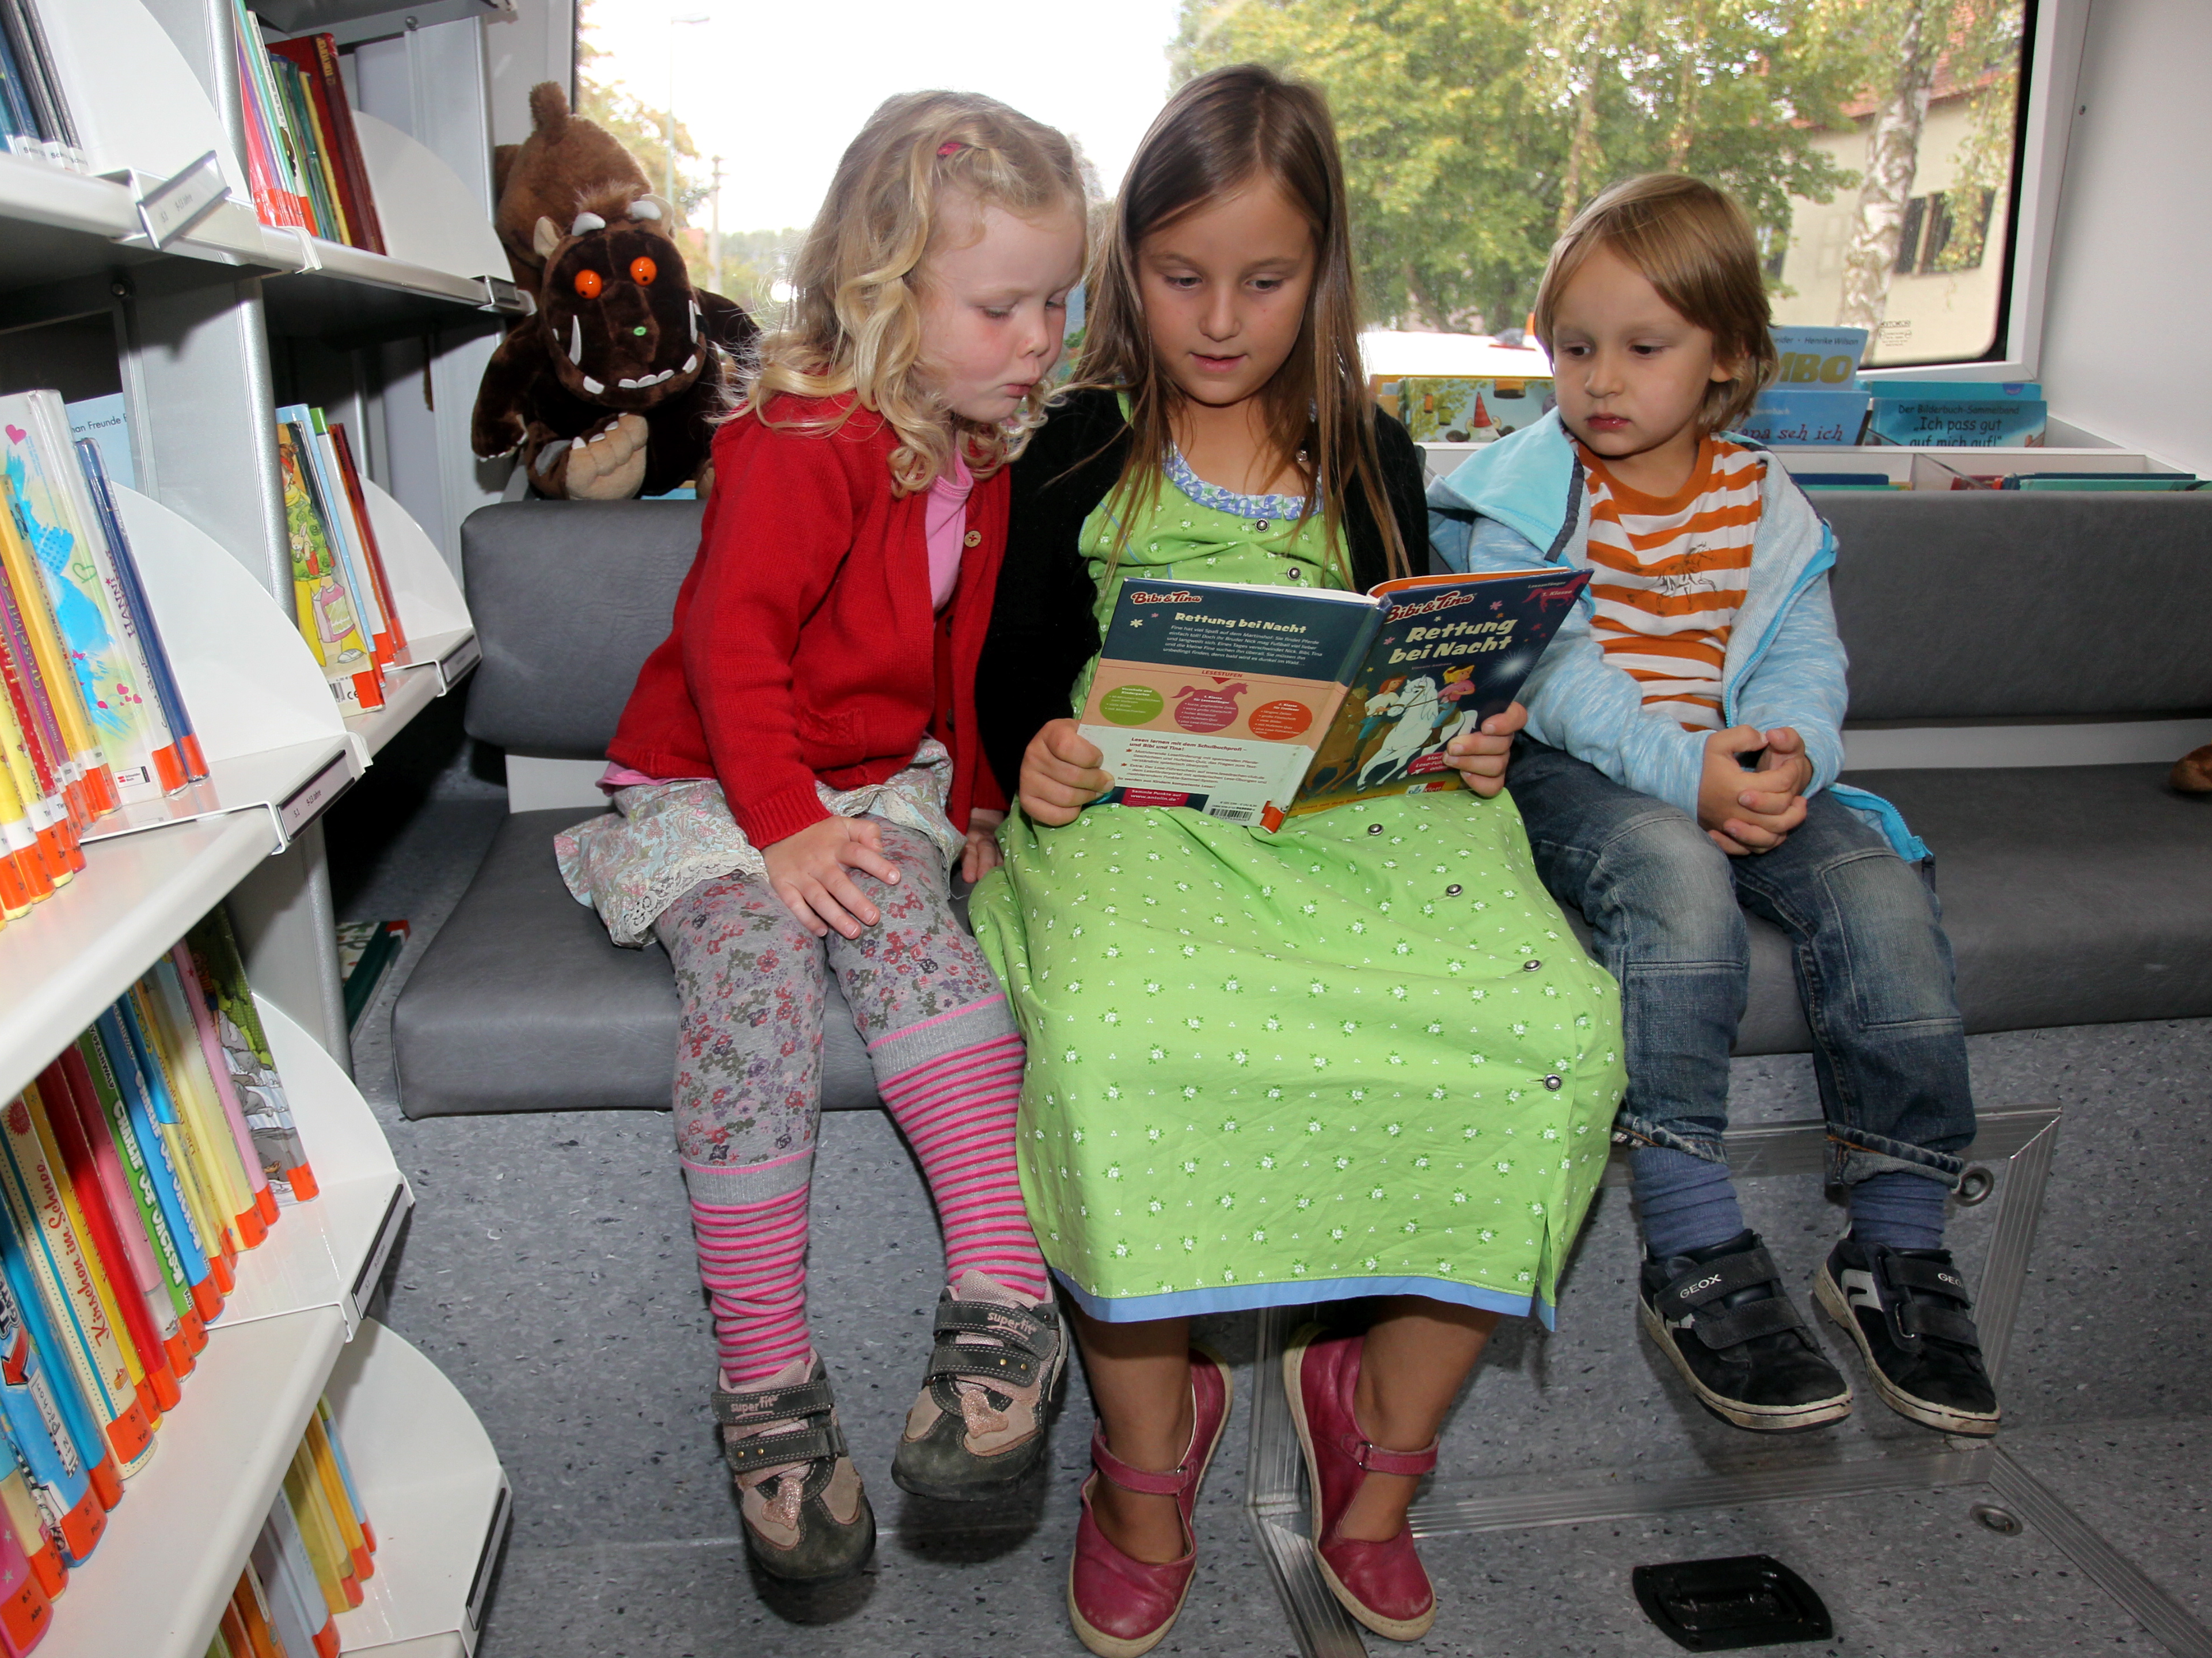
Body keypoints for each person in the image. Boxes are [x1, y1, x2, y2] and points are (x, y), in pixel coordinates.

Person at [972, 66, 1625, 1652]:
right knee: (1115, 1044)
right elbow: (1010, 689)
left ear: (1321, 271)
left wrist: (1470, 734)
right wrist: (1043, 752)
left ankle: (1378, 1449)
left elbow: (1414, 665)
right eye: (1181, 276)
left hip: (1362, 833)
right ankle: (1147, 1463)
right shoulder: (1077, 444)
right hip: (1134, 832)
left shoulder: (1371, 453)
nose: (1218, 319)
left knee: (1557, 1031)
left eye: (1264, 281)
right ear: (1132, 269)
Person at [552, 92, 1088, 1584]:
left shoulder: (973, 442)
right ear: (883, 289)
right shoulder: (799, 436)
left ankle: (1003, 1298)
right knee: (760, 988)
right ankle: (767, 1388)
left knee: (921, 948)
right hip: (713, 781)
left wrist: (975, 800)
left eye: (1055, 300)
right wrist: (778, 830)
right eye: (1002, 305)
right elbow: (731, 638)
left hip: (864, 779)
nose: (1039, 334)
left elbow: (963, 644)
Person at [1430, 173, 2001, 1442]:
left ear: (1730, 358)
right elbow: (1557, 675)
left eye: (1645, 348)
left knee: (1878, 891)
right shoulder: (1526, 492)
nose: (1601, 381)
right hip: (1577, 777)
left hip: (1731, 760)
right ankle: (1689, 1240)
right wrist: (1690, 780)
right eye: (1575, 349)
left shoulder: (1767, 503)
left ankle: (1894, 1242)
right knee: (1678, 884)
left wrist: (1789, 754)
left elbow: (1805, 657)